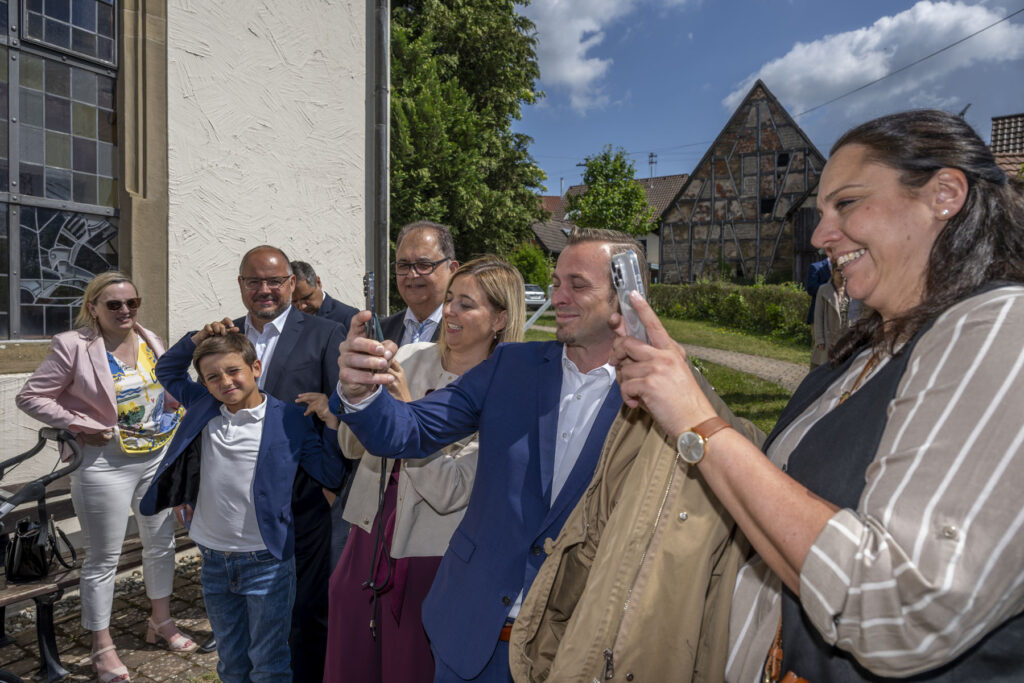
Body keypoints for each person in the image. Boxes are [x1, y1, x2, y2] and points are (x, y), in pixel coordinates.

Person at [610, 110, 1024, 681]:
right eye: (822, 211)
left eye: (847, 203)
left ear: (944, 194)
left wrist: (698, 424)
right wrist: (681, 383)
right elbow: (781, 477)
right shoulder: (873, 348)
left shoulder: (1002, 327)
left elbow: (899, 609)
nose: (819, 235)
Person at [334, 228, 745, 682]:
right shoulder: (511, 366)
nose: (558, 297)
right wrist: (360, 395)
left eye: (577, 285)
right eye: (556, 283)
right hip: (470, 635)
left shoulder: (662, 395)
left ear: (627, 296)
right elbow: (410, 430)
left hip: (572, 648)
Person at [323, 256, 526, 682]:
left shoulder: (507, 390)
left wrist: (403, 411)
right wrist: (356, 393)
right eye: (450, 299)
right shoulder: (412, 355)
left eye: (466, 304)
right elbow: (350, 447)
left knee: (408, 665)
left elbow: (452, 491)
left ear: (500, 319)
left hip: (430, 556)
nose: (449, 311)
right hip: (367, 535)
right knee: (352, 662)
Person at [140, 327, 343, 683]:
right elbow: (167, 370)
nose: (225, 382)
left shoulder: (289, 418)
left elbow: (329, 472)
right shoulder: (204, 406)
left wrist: (330, 422)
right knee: (231, 663)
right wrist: (197, 337)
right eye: (213, 377)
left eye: (233, 370)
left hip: (267, 561)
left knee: (268, 663)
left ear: (256, 367)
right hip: (213, 558)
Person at [16, 272, 191, 683]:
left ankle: (161, 621)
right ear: (93, 307)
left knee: (161, 544)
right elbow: (31, 396)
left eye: (132, 302)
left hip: (156, 457)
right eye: (114, 304)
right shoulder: (73, 345)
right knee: (103, 558)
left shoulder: (149, 339)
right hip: (104, 463)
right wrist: (80, 424)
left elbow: (162, 388)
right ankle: (102, 645)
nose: (125, 310)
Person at [233, 245, 348, 682]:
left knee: (306, 611)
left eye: (274, 281)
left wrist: (332, 481)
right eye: (254, 281)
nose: (264, 289)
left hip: (302, 498)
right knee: (247, 609)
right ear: (241, 284)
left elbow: (343, 409)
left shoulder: (325, 333)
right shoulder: (227, 336)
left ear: (291, 283)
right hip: (237, 502)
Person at [379, 221, 459, 344]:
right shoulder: (381, 332)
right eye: (403, 265)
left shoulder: (466, 329)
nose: (412, 275)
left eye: (423, 265)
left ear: (452, 270)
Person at [290, 260, 359, 326]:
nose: (302, 306)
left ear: (318, 283)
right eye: (294, 301)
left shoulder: (349, 316)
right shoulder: (289, 318)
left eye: (306, 298)